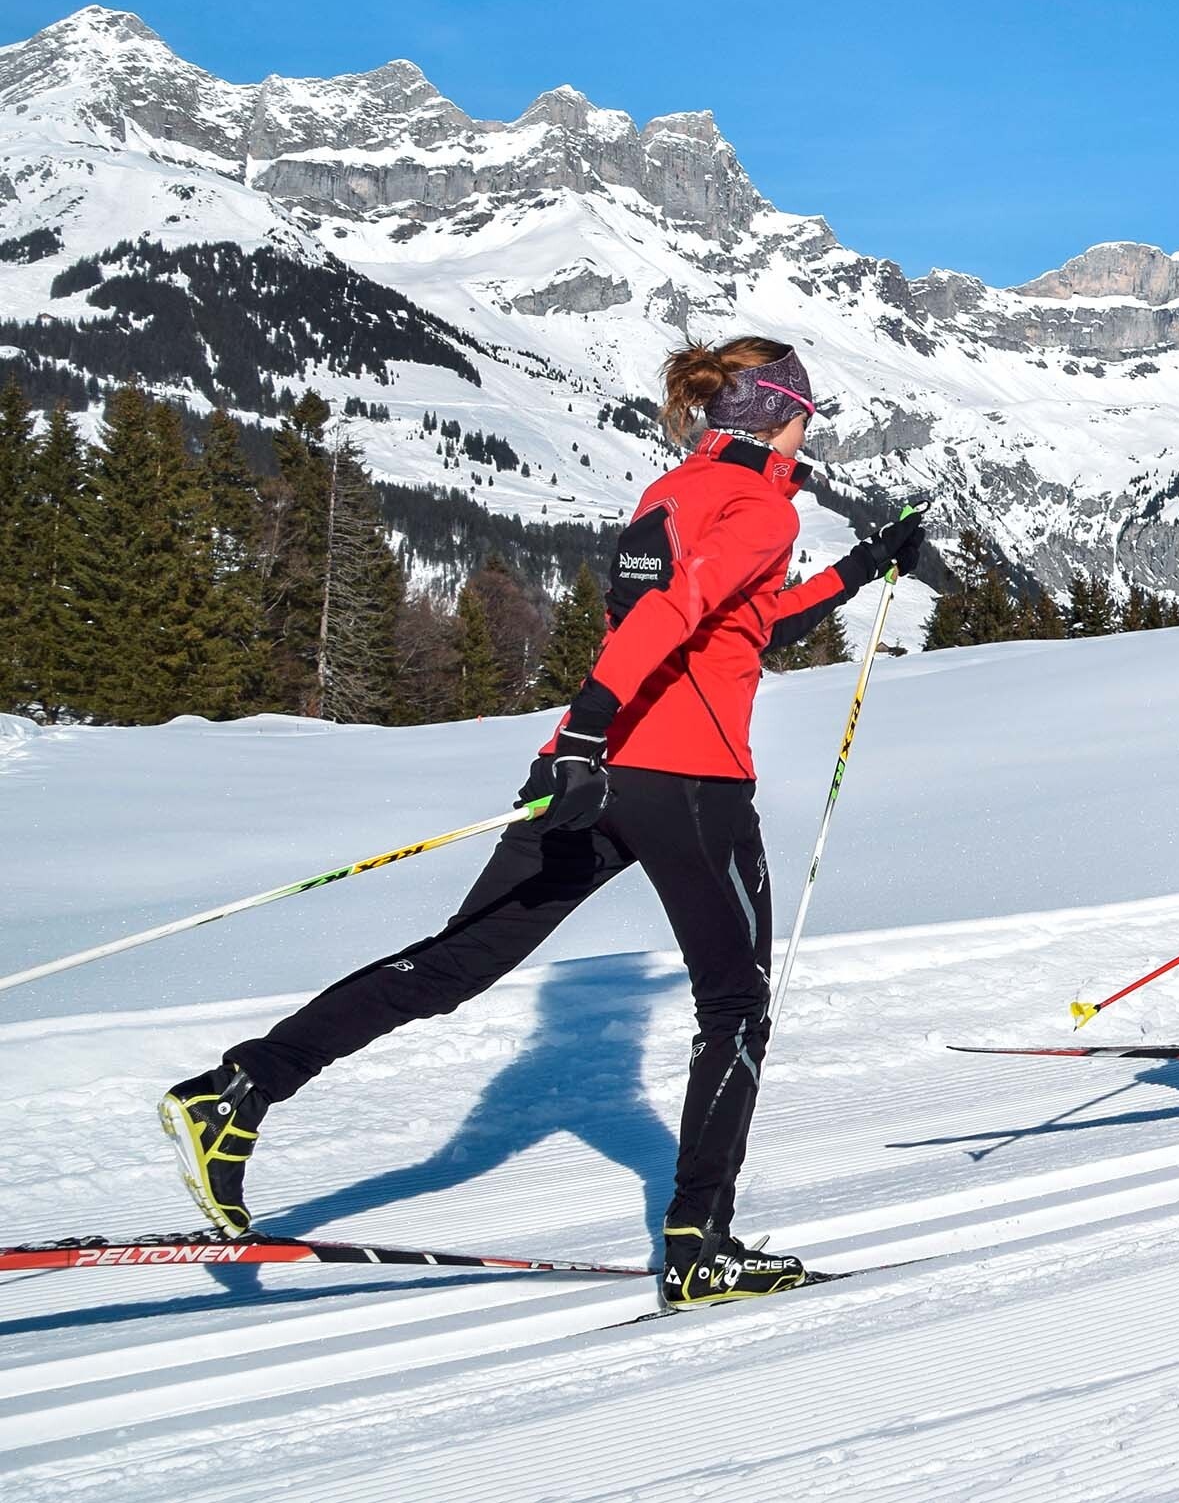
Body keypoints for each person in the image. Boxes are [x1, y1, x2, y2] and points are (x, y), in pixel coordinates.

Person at [159, 336, 925, 1308]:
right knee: (735, 1005)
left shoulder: (669, 493)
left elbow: (740, 623)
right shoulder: (762, 505)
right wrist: (593, 729)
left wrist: (862, 564)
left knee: (454, 962)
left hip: (598, 771)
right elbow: (679, 611)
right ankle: (701, 1245)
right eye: (808, 414)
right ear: (781, 412)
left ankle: (238, 1089)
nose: (811, 431)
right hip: (690, 782)